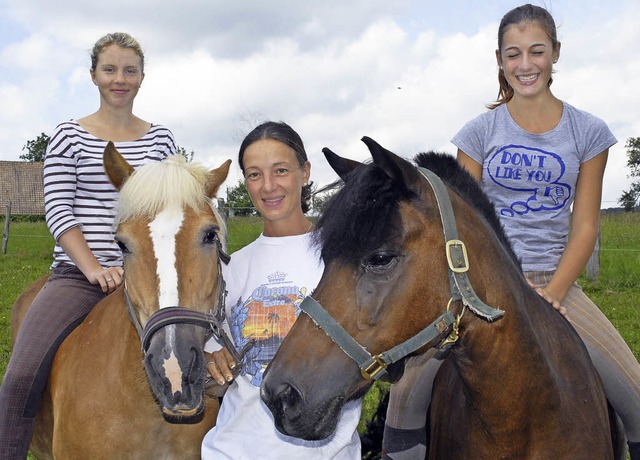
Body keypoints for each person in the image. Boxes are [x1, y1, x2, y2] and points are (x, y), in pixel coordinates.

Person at [382, 4, 640, 460]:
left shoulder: (589, 132)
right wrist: (488, 284)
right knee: (403, 400)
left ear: (555, 53)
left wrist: (554, 293)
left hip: (556, 286)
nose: (526, 65)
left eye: (536, 51)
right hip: (481, 286)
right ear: (499, 60)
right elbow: (458, 223)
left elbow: (584, 227)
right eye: (513, 54)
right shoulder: (479, 133)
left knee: (635, 395)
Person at [0, 32, 177, 459]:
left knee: (213, 353)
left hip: (150, 273)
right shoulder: (68, 136)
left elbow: (173, 211)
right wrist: (94, 268)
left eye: (129, 70)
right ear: (94, 76)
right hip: (79, 275)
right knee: (20, 376)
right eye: (110, 69)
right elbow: (59, 210)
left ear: (141, 78)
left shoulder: (161, 140)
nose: (120, 78)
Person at [202, 121, 362, 459]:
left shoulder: (343, 260)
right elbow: (216, 381)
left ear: (304, 172)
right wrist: (210, 364)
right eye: (255, 174)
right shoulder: (227, 269)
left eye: (281, 170)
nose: (268, 186)